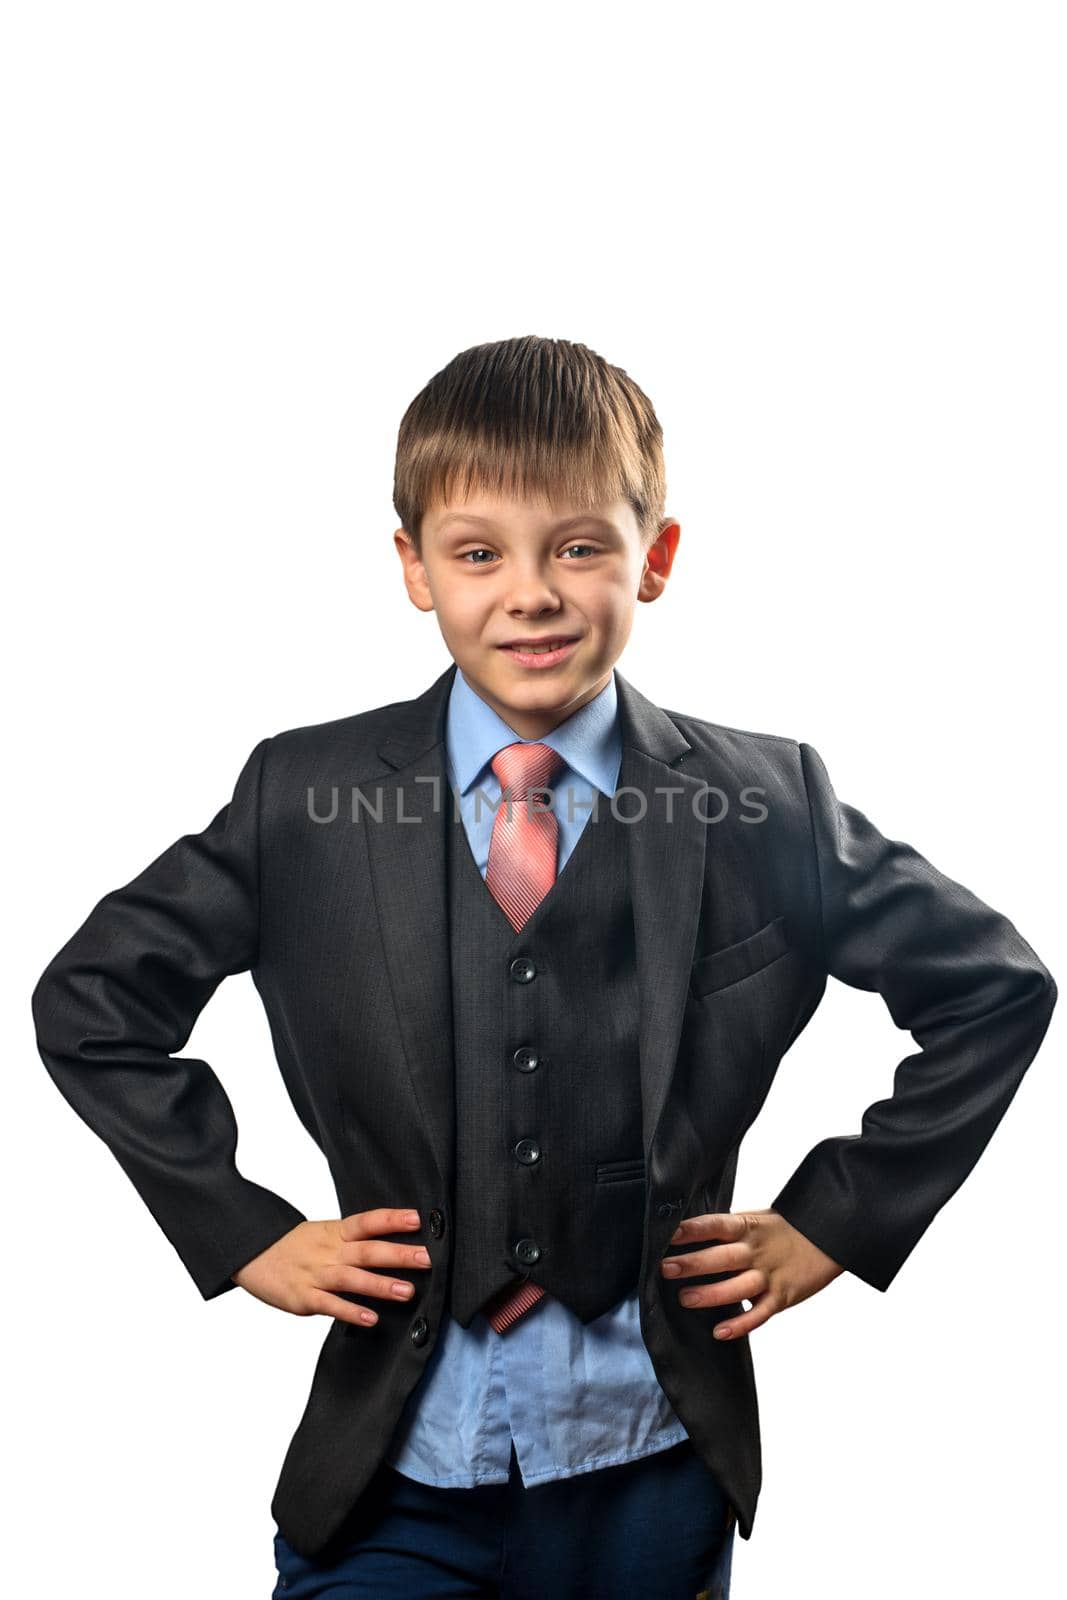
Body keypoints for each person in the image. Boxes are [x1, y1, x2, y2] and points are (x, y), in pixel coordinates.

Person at [31, 335, 1056, 1600]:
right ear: (411, 567)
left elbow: (991, 989)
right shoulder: (305, 795)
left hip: (647, 1461)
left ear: (655, 557)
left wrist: (830, 1223)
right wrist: (244, 1233)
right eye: (477, 553)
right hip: (393, 1469)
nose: (530, 593)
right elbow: (92, 1002)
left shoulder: (762, 801)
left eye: (577, 546)